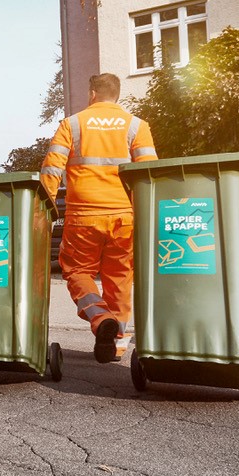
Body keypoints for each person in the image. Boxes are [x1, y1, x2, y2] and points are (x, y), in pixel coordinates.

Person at [39, 73, 157, 363]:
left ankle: (100, 317)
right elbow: (149, 175)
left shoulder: (72, 124)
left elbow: (52, 169)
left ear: (92, 93)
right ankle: (116, 343)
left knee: (77, 272)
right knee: (119, 278)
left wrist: (43, 210)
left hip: (84, 216)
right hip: (124, 217)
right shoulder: (137, 126)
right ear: (117, 95)